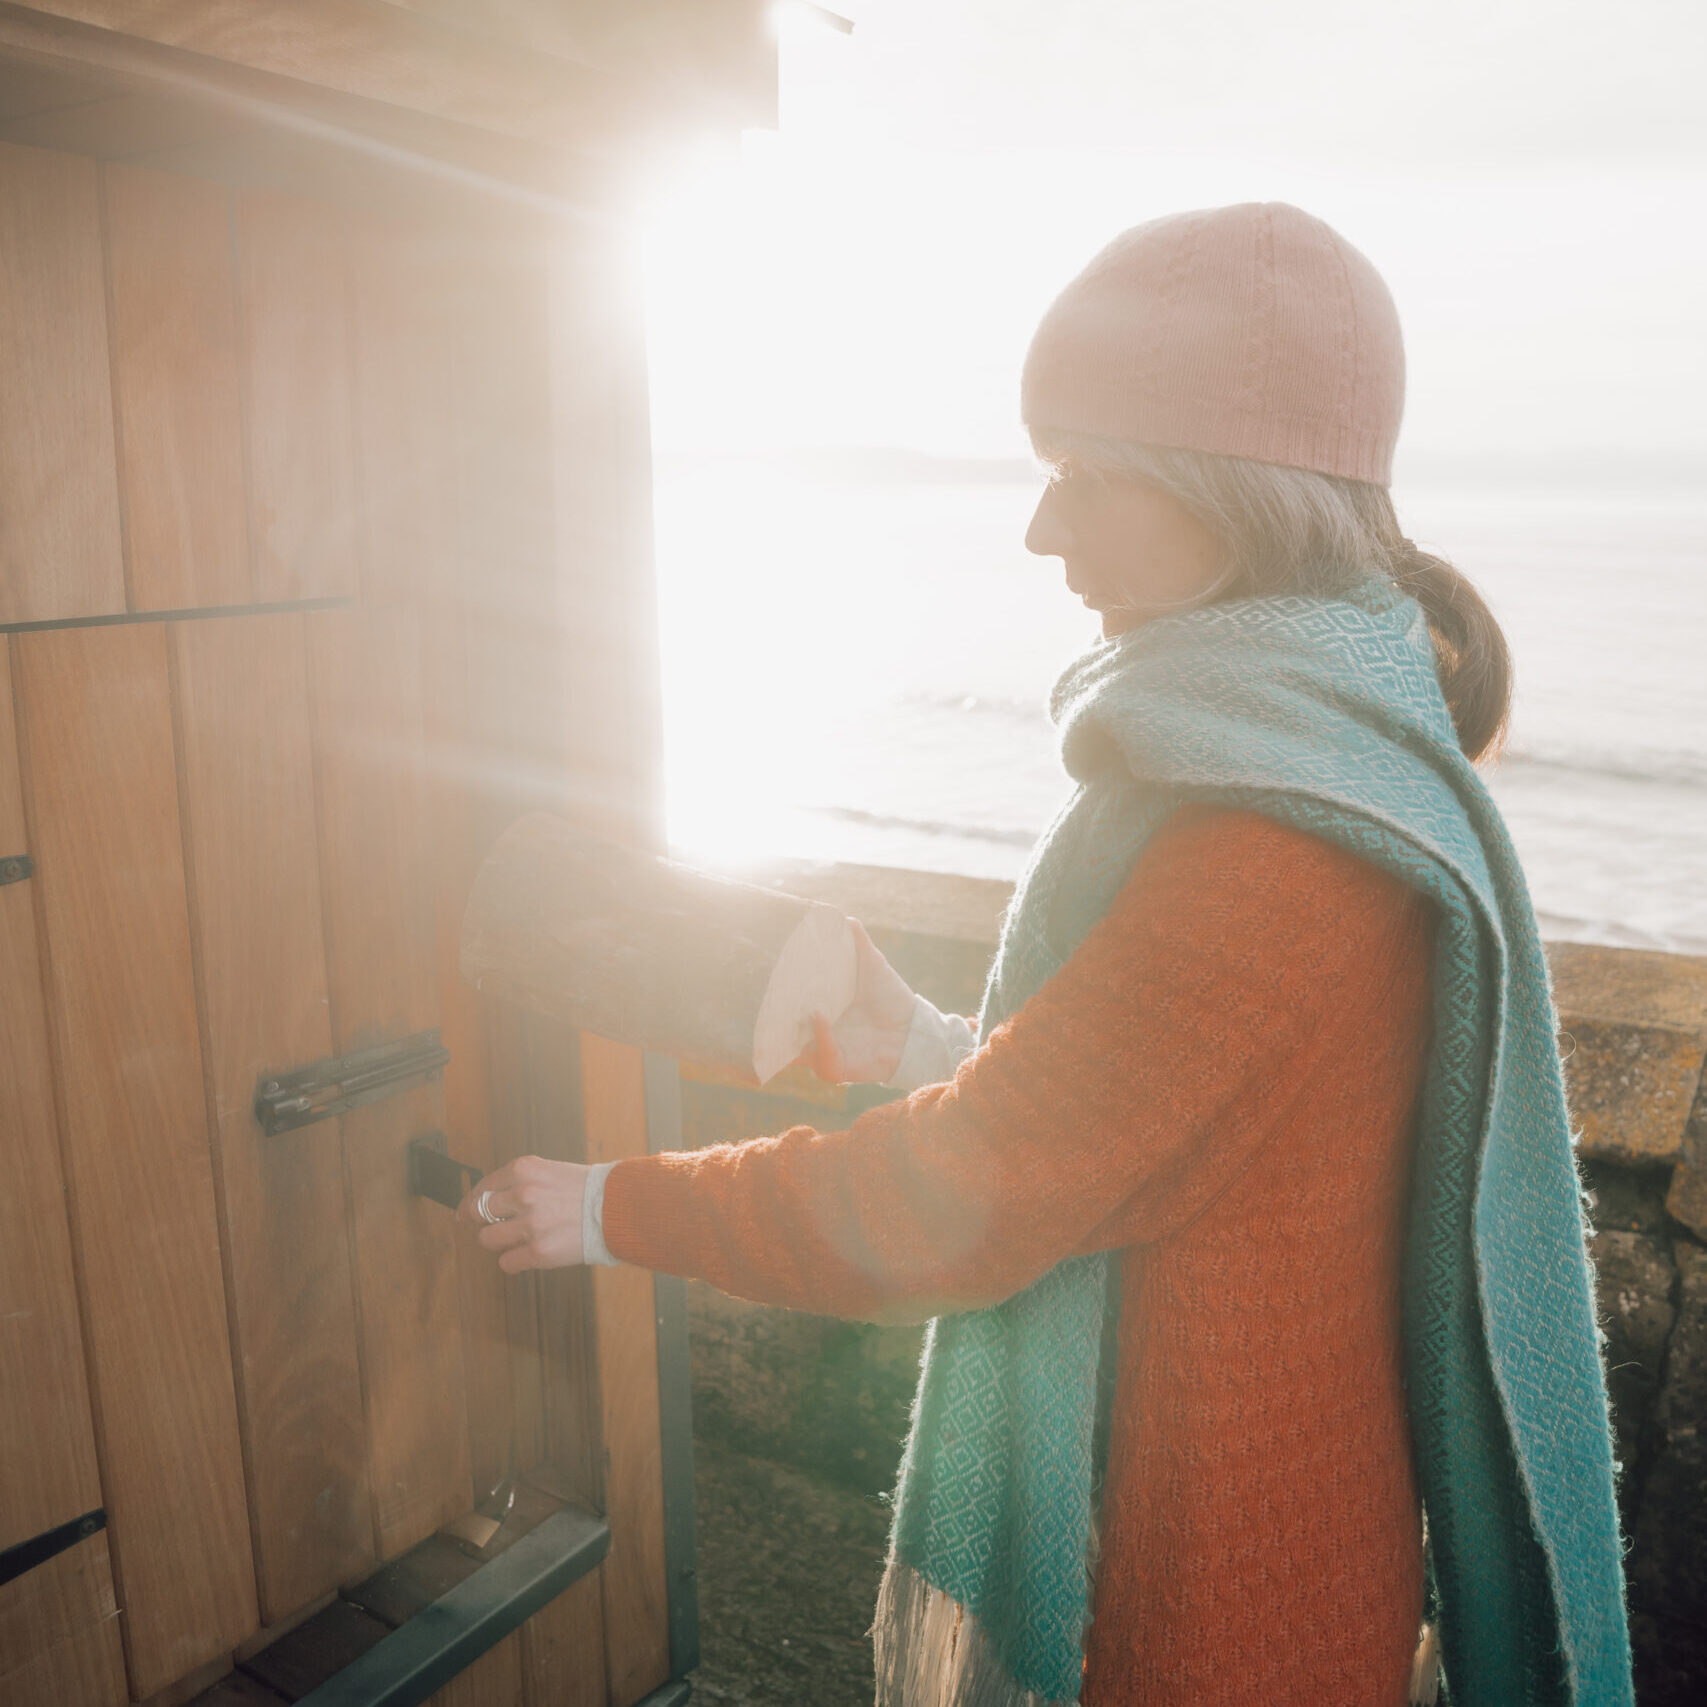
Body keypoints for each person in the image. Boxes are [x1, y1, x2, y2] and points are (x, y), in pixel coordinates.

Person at [459, 204, 1632, 1707]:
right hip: (1270, 1550)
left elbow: (970, 1202)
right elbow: (1164, 1126)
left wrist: (617, 1207)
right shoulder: (1339, 757)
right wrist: (913, 1043)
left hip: (1197, 1606)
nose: (1039, 531)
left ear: (1232, 494)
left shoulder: (1273, 848)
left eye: (1080, 476)